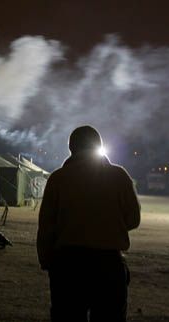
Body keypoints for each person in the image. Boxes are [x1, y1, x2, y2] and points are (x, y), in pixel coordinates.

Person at [37, 125, 140, 322]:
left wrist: (47, 261)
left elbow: (47, 226)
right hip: (108, 266)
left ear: (71, 148)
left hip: (68, 267)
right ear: (99, 146)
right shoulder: (119, 176)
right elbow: (133, 219)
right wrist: (109, 228)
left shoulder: (58, 179)